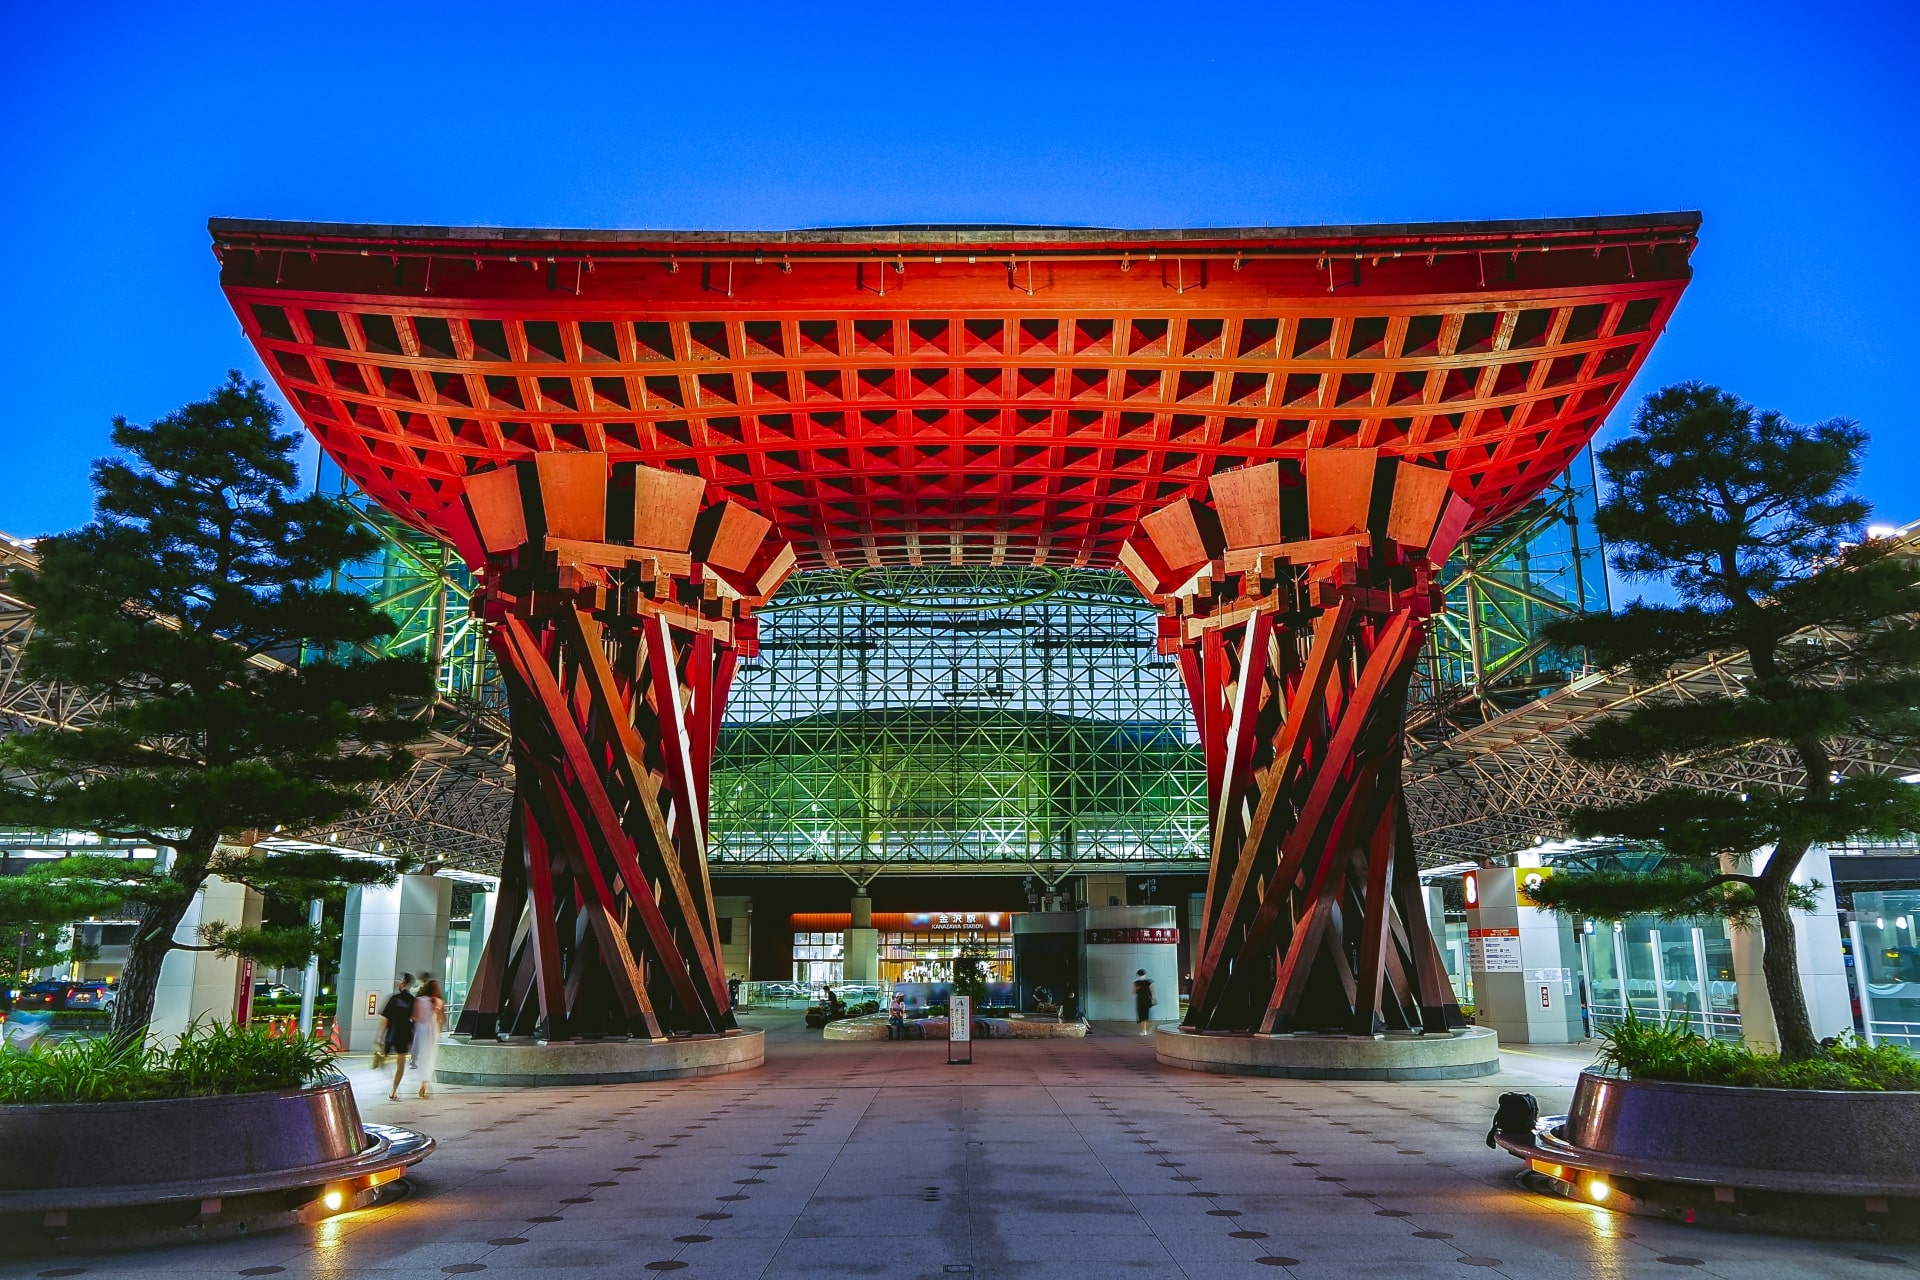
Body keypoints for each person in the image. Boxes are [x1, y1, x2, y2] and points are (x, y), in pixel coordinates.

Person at [380, 976, 417, 1099]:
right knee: (400, 1064)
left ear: (403, 983)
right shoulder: (412, 1000)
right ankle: (394, 1089)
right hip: (404, 1033)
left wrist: (379, 1036)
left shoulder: (394, 998)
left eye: (400, 980)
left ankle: (393, 1086)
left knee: (383, 1061)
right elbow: (415, 1018)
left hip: (392, 1033)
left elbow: (385, 1018)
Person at [412, 977, 445, 1098]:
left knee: (422, 1057)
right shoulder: (438, 1002)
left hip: (422, 1029)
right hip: (433, 1030)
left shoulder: (420, 1000)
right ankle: (426, 1082)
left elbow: (415, 1017)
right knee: (431, 1056)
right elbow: (441, 1019)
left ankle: (423, 1080)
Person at [1134, 969, 1156, 1035]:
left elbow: (1134, 992)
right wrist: (1153, 998)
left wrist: (1138, 988)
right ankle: (1144, 1030)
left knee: (1142, 1015)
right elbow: (1152, 991)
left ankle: (1144, 1030)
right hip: (1146, 999)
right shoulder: (1148, 982)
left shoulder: (1137, 983)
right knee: (1144, 1015)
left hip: (1141, 1000)